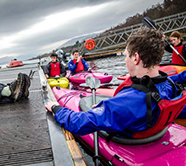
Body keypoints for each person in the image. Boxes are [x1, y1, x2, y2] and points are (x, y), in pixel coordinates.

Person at [45, 27, 186, 138]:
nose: (125, 60)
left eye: (126, 56)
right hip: (155, 132)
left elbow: (78, 123)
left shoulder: (128, 101)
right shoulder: (171, 85)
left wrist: (56, 109)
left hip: (131, 141)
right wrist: (106, 108)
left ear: (136, 58)